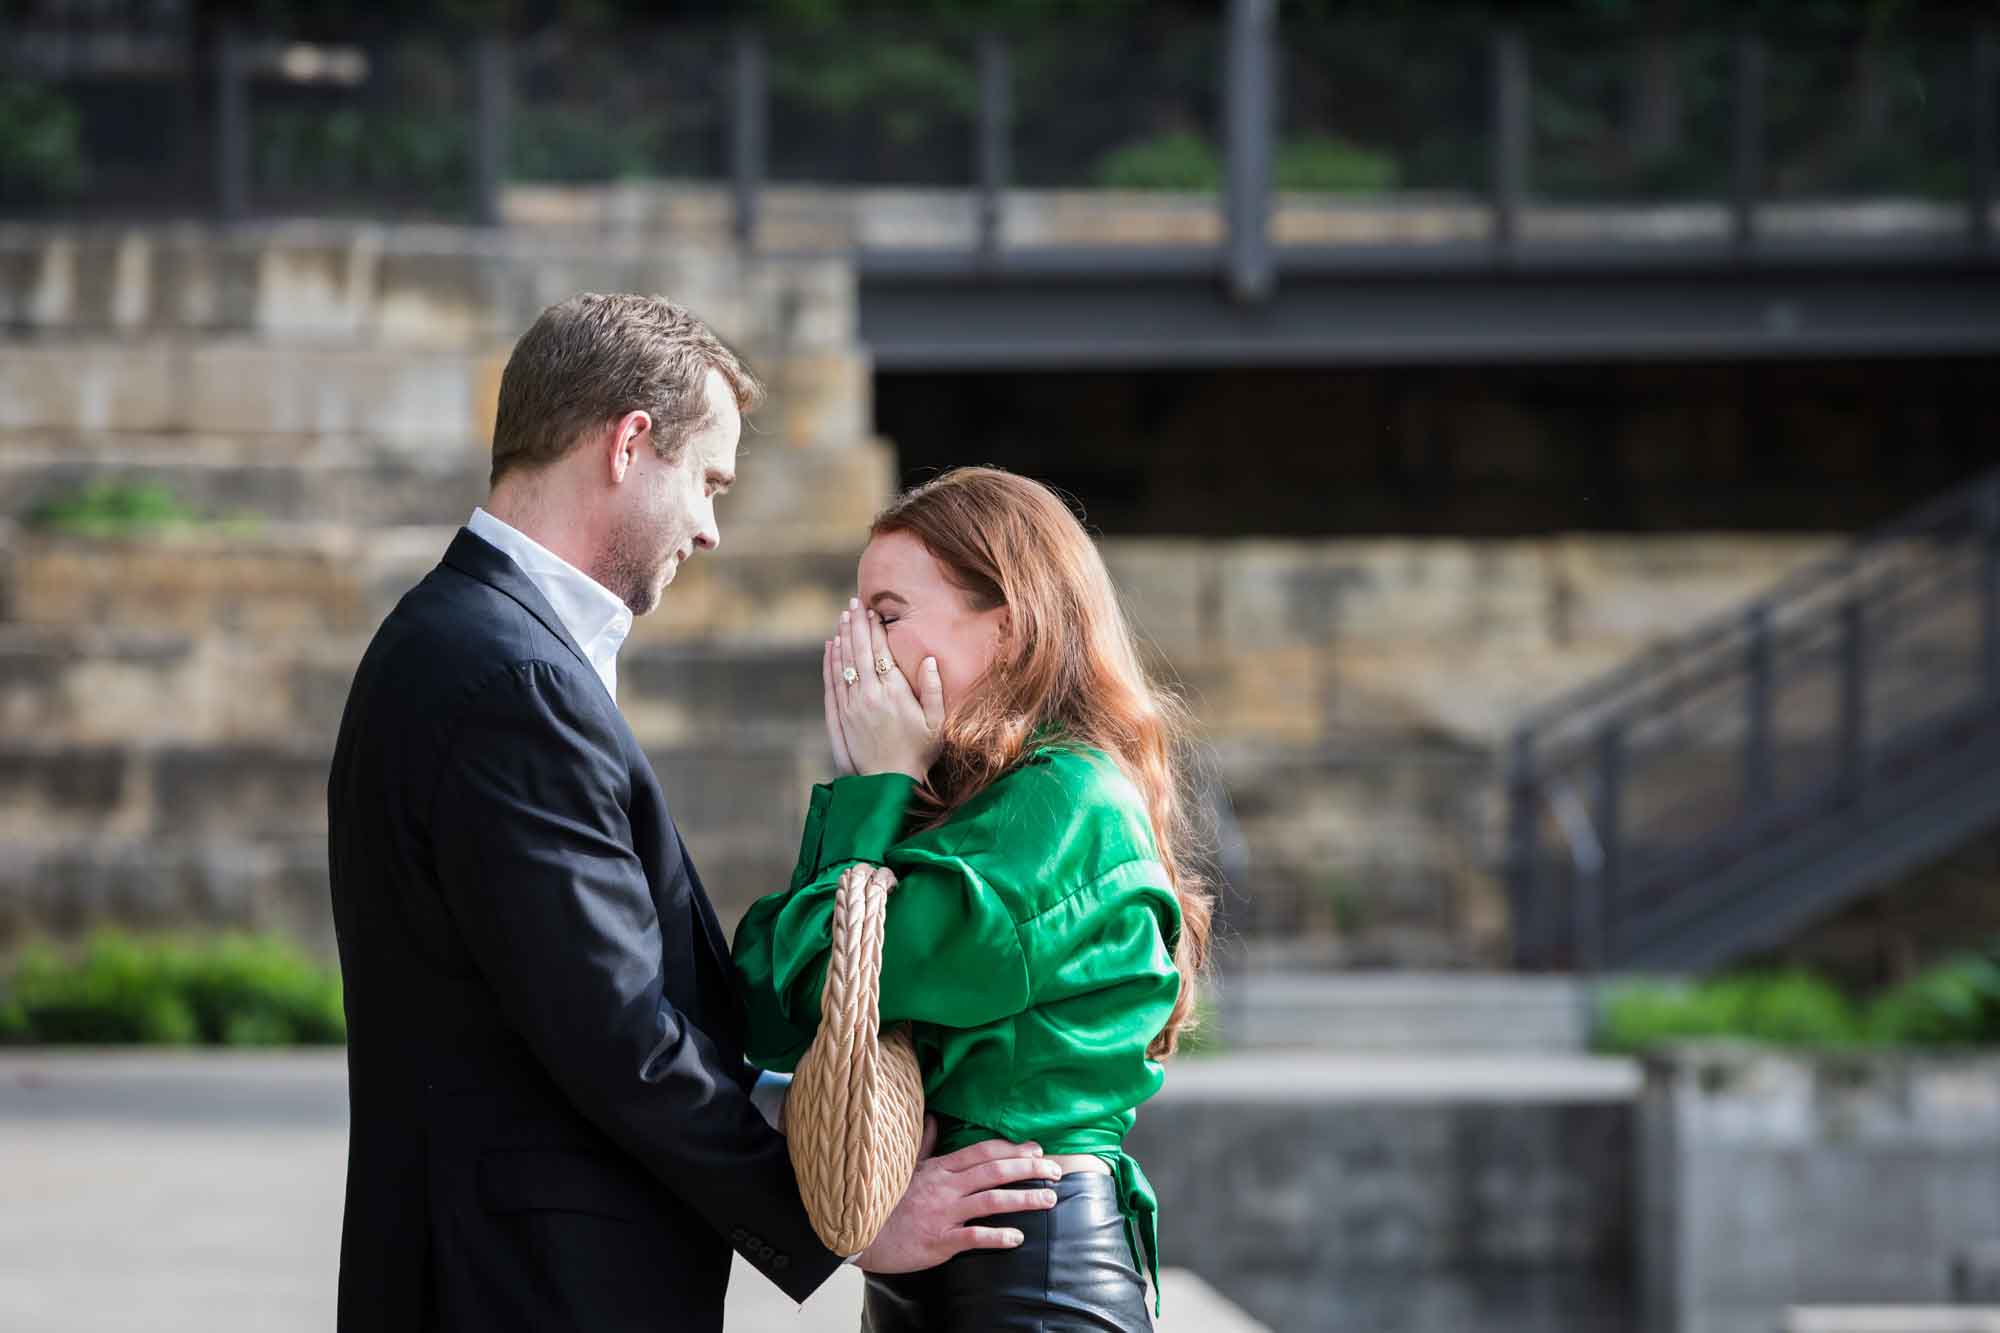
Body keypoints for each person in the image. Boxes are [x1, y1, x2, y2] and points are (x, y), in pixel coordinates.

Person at [326, 295, 1059, 1333]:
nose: (711, 528)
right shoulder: (512, 679)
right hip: (534, 1292)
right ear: (630, 444)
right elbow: (616, 1034)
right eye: (707, 481)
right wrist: (841, 1213)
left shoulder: (457, 641)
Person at [733, 466, 1215, 1332]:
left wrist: (874, 787)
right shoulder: (969, 805)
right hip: (963, 1272)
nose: (855, 647)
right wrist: (881, 789)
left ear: (1009, 623)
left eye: (885, 614)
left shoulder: (1066, 802)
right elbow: (766, 1003)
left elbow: (812, 983)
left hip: (1031, 1278)